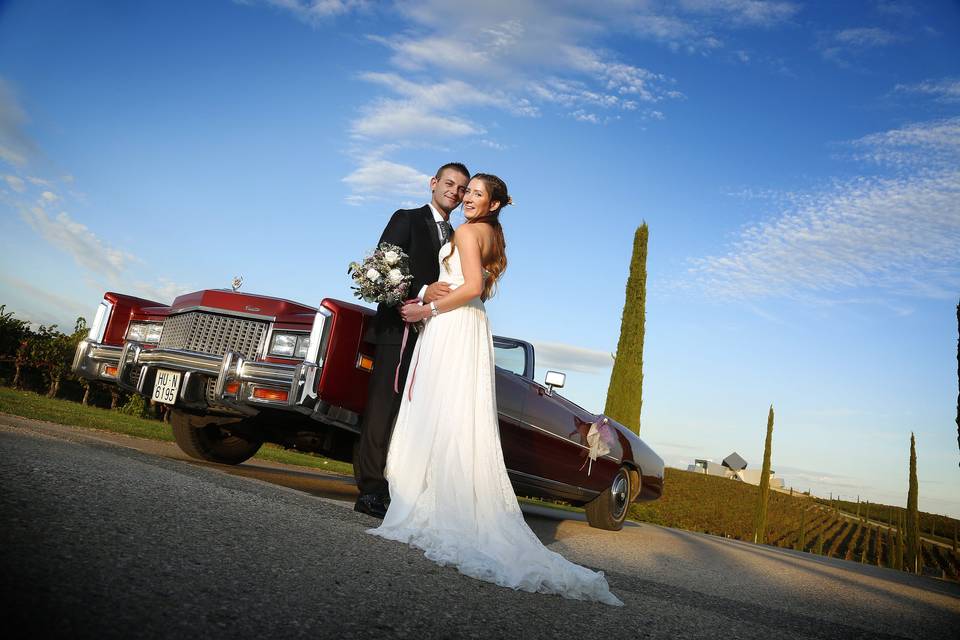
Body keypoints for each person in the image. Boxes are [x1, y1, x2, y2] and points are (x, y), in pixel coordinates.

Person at [368, 173, 624, 606]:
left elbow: (469, 287)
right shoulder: (490, 235)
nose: (467, 198)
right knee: (452, 411)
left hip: (452, 324)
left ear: (494, 204)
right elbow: (479, 287)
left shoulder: (468, 231)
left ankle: (429, 499)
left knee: (440, 409)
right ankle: (440, 495)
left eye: (477, 194)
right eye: (467, 192)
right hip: (466, 325)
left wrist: (424, 308)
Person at [354, 162, 471, 519]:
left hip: (432, 337)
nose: (455, 191)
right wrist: (422, 291)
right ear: (433, 183)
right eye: (449, 183)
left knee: (413, 415)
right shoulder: (406, 218)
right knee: (383, 409)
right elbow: (383, 268)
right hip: (396, 330)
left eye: (462, 188)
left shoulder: (457, 235)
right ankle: (370, 490)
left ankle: (400, 487)